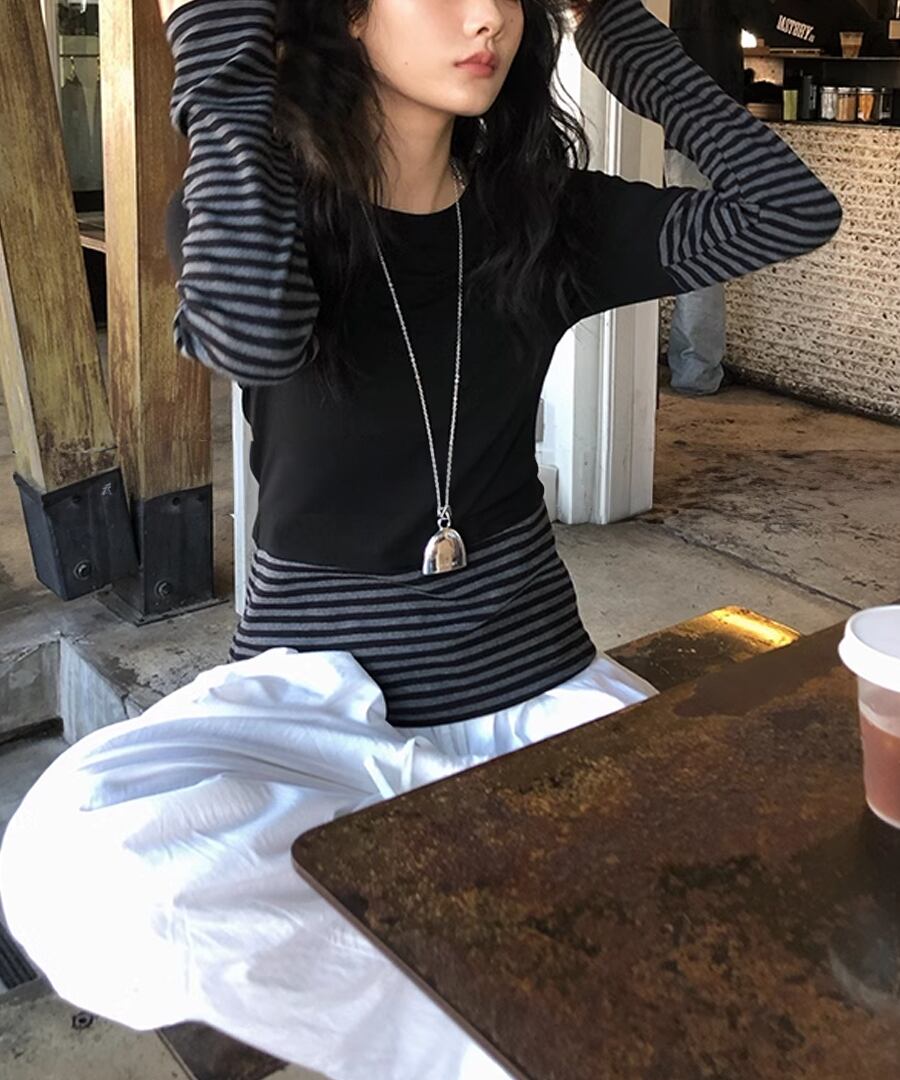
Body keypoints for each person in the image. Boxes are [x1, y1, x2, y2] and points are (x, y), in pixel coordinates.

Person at [0, 1, 841, 1077]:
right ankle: (503, 1015)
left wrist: (614, 26)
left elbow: (789, 211)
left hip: (537, 695)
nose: (486, 16)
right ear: (348, 16)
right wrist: (219, 35)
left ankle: (492, 990)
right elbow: (251, 336)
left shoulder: (545, 215)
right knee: (77, 867)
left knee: (774, 877)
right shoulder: (259, 205)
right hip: (308, 708)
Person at [664, 0, 775, 395]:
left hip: (643, 130)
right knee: (701, 255)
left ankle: (632, 364)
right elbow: (769, 22)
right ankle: (696, 373)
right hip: (704, 134)